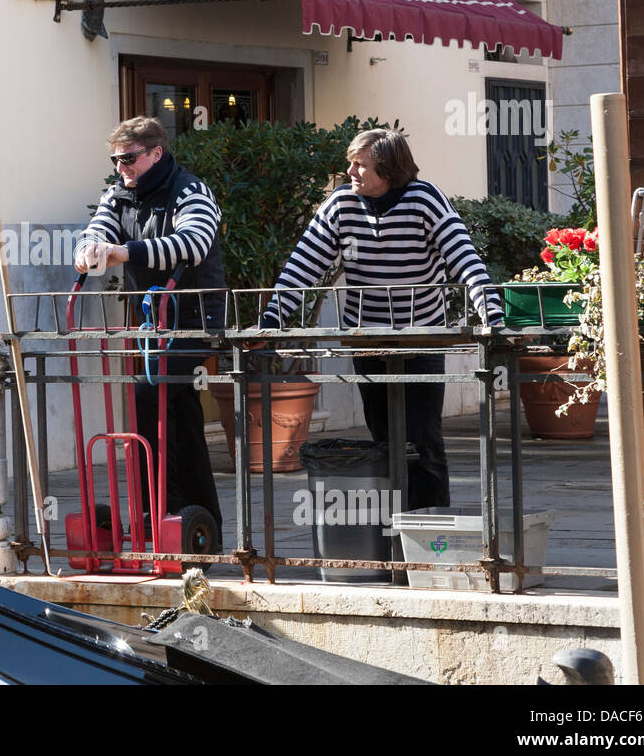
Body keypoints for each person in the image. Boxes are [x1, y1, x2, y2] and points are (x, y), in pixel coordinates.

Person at [261, 127, 502, 509]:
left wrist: (491, 311)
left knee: (424, 439)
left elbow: (464, 258)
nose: (351, 172)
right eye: (350, 164)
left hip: (421, 336)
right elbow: (302, 265)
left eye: (361, 165)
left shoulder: (425, 199)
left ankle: (430, 533)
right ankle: (391, 528)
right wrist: (273, 317)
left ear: (388, 169)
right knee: (383, 438)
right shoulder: (340, 204)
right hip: (367, 337)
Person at [73, 116, 226, 542]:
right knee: (181, 414)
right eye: (115, 159)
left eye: (128, 158)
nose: (121, 167)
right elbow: (95, 233)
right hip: (153, 322)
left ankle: (156, 513)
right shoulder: (118, 194)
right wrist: (88, 251)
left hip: (197, 320)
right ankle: (199, 523)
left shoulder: (190, 189)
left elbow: (194, 243)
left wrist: (123, 251)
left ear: (156, 153)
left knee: (148, 391)